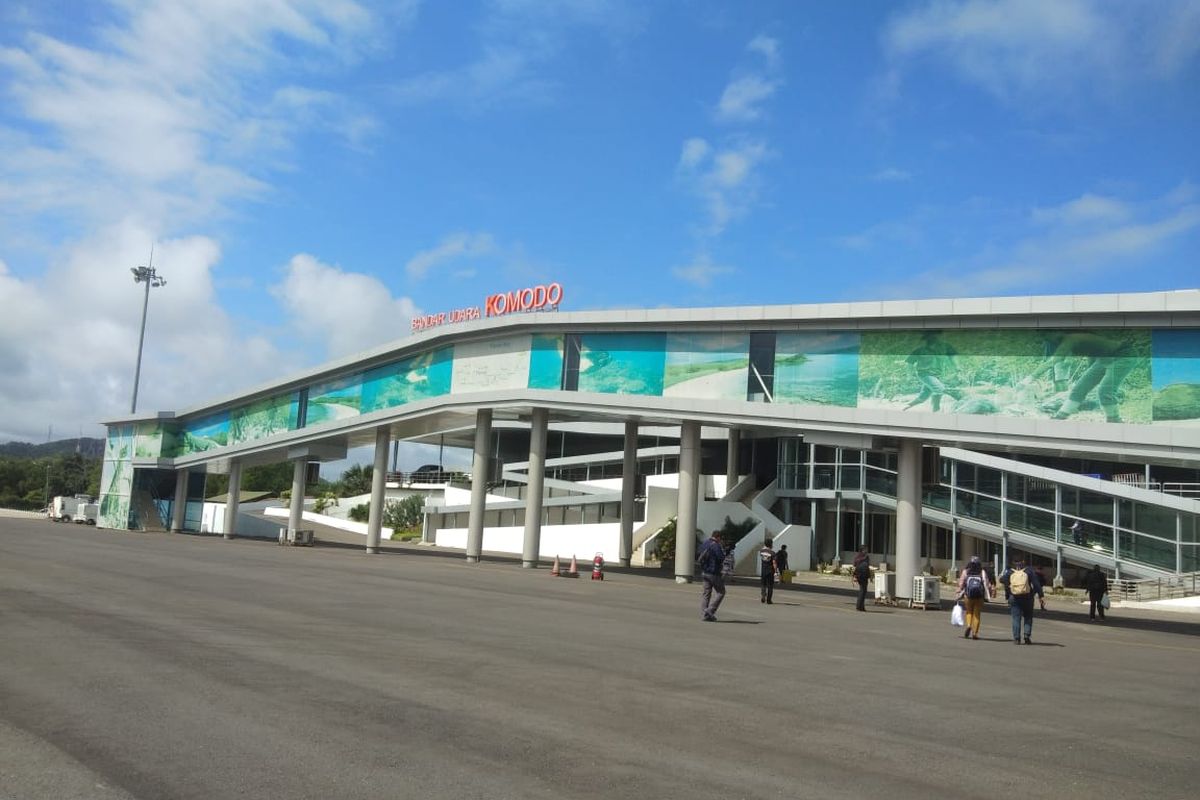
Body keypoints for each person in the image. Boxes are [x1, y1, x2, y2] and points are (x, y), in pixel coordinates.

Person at [1025, 331, 1139, 422]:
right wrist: (1090, 376)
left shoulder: (1070, 339)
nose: (1047, 340)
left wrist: (1029, 378)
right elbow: (1092, 354)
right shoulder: (1066, 340)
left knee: (1105, 391)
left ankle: (1114, 421)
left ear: (1055, 333)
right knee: (1078, 388)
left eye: (1046, 337)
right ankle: (1060, 418)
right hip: (1103, 359)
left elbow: (1053, 361)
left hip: (1124, 355)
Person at [903, 331, 962, 412]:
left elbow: (953, 356)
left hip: (936, 376)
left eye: (935, 336)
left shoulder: (945, 347)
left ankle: (904, 407)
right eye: (930, 337)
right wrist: (909, 376)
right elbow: (909, 362)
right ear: (926, 339)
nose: (933, 338)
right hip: (924, 374)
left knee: (923, 397)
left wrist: (957, 368)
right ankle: (936, 411)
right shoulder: (920, 349)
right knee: (940, 389)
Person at [999, 557, 1046, 644]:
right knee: (1028, 617)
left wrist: (1009, 590)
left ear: (1013, 562)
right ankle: (1026, 636)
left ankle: (1016, 638)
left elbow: (1002, 580)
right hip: (1028, 597)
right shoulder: (1029, 571)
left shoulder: (1010, 572)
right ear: (1023, 561)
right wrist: (1041, 596)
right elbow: (1036, 584)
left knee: (1016, 618)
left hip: (1014, 597)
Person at [955, 556, 993, 640]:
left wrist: (958, 591)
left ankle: (968, 625)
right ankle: (975, 633)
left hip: (968, 596)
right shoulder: (982, 572)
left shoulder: (966, 572)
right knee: (977, 614)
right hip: (979, 596)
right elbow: (986, 584)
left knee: (969, 612)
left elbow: (961, 583)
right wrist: (990, 591)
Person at [697, 530, 726, 622]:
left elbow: (699, 554)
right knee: (721, 592)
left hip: (704, 572)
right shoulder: (716, 545)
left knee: (706, 593)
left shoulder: (705, 543)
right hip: (713, 573)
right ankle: (710, 610)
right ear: (718, 537)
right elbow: (721, 558)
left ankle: (705, 612)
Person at [758, 538, 777, 604]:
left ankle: (763, 595)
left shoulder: (761, 551)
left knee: (763, 584)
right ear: (771, 544)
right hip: (770, 571)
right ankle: (769, 600)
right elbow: (774, 563)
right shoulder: (773, 553)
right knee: (770, 586)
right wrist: (776, 571)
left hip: (763, 570)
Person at [852, 547, 870, 611]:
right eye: (865, 549)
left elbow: (854, 565)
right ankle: (859, 606)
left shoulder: (857, 557)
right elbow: (866, 566)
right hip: (863, 575)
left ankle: (861, 606)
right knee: (863, 591)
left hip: (858, 575)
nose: (867, 551)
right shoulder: (865, 557)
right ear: (862, 550)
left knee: (862, 590)